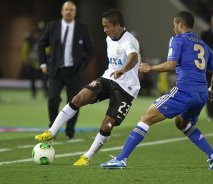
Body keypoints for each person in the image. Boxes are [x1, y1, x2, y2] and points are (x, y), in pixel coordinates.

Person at [100, 11, 213, 170]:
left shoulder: (177, 40)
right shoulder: (205, 47)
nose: (174, 28)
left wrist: (150, 68)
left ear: (180, 24)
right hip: (201, 95)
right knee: (182, 123)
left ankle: (121, 159)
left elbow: (170, 65)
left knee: (146, 118)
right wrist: (211, 90)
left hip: (184, 91)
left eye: (174, 25)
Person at [35, 8, 141, 166]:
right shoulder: (109, 38)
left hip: (127, 88)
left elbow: (133, 57)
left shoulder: (129, 40)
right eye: (103, 26)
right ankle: (51, 132)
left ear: (118, 25)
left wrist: (123, 70)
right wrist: (116, 72)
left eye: (107, 26)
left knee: (107, 125)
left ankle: (87, 156)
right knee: (78, 98)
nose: (105, 30)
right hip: (108, 78)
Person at [37, 1, 95, 139]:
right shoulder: (52, 26)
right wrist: (43, 63)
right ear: (62, 11)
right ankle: (53, 129)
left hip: (74, 72)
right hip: (56, 71)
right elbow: (41, 45)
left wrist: (82, 65)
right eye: (66, 9)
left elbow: (91, 50)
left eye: (71, 10)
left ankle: (70, 130)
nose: (68, 12)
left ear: (75, 12)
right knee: (52, 99)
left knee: (75, 101)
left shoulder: (82, 28)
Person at [21, 23, 48, 98]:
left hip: (40, 63)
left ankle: (46, 92)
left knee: (44, 78)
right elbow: (24, 50)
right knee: (33, 79)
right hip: (32, 62)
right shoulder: (29, 40)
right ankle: (34, 92)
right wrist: (26, 60)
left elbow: (47, 50)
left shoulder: (42, 39)